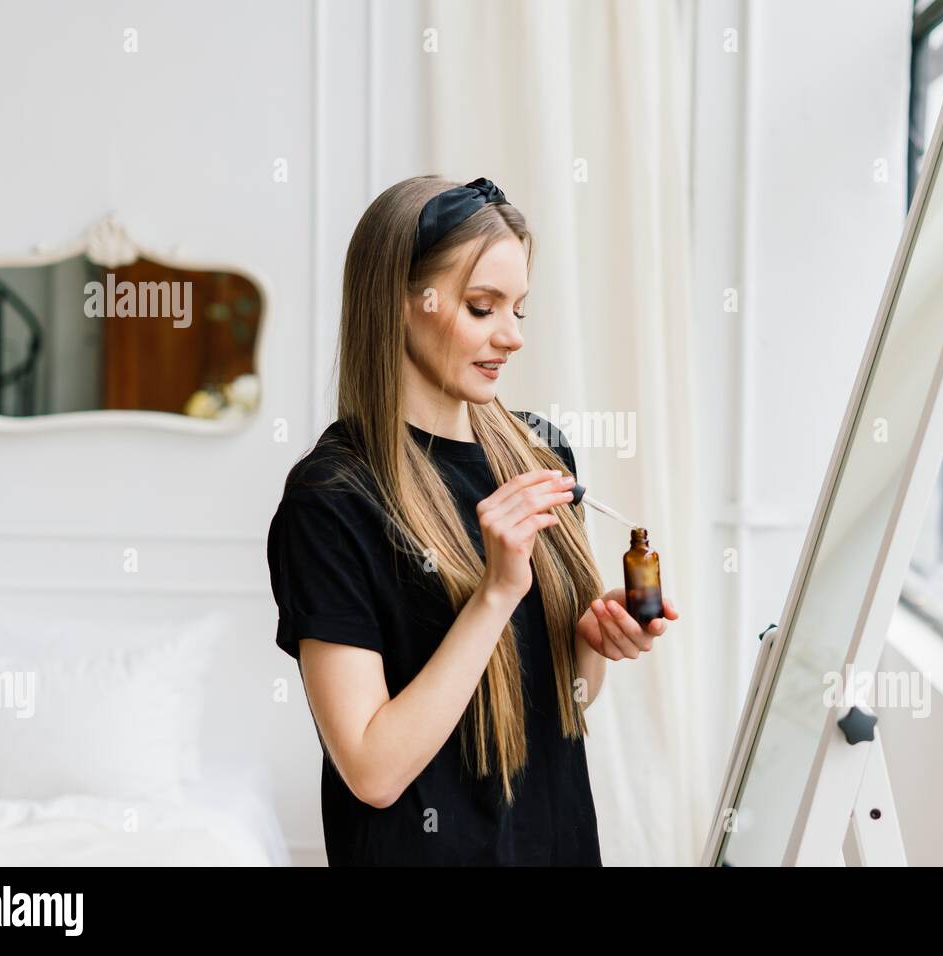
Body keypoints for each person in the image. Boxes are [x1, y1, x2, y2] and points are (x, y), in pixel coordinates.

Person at [265, 175, 679, 866]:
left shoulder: (539, 452)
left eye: (519, 309)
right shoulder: (331, 500)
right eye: (482, 308)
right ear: (400, 303)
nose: (511, 337)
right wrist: (495, 593)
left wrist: (591, 641)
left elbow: (570, 703)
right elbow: (371, 771)